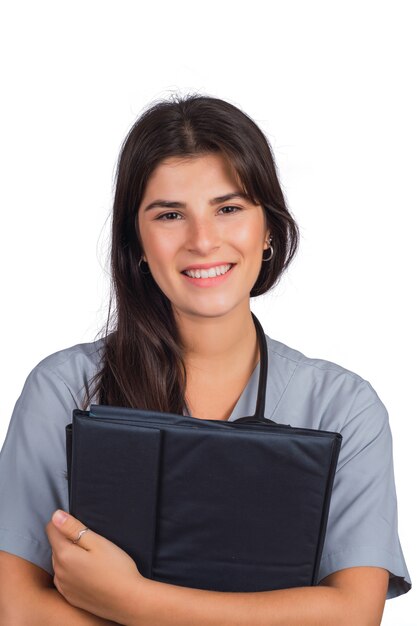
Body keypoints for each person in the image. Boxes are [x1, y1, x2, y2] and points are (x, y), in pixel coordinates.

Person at [0, 93, 411, 625]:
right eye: (170, 215)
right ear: (138, 244)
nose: (202, 240)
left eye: (229, 208)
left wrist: (130, 600)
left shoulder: (344, 408)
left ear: (268, 230)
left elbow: (352, 616)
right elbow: (17, 607)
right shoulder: (63, 390)